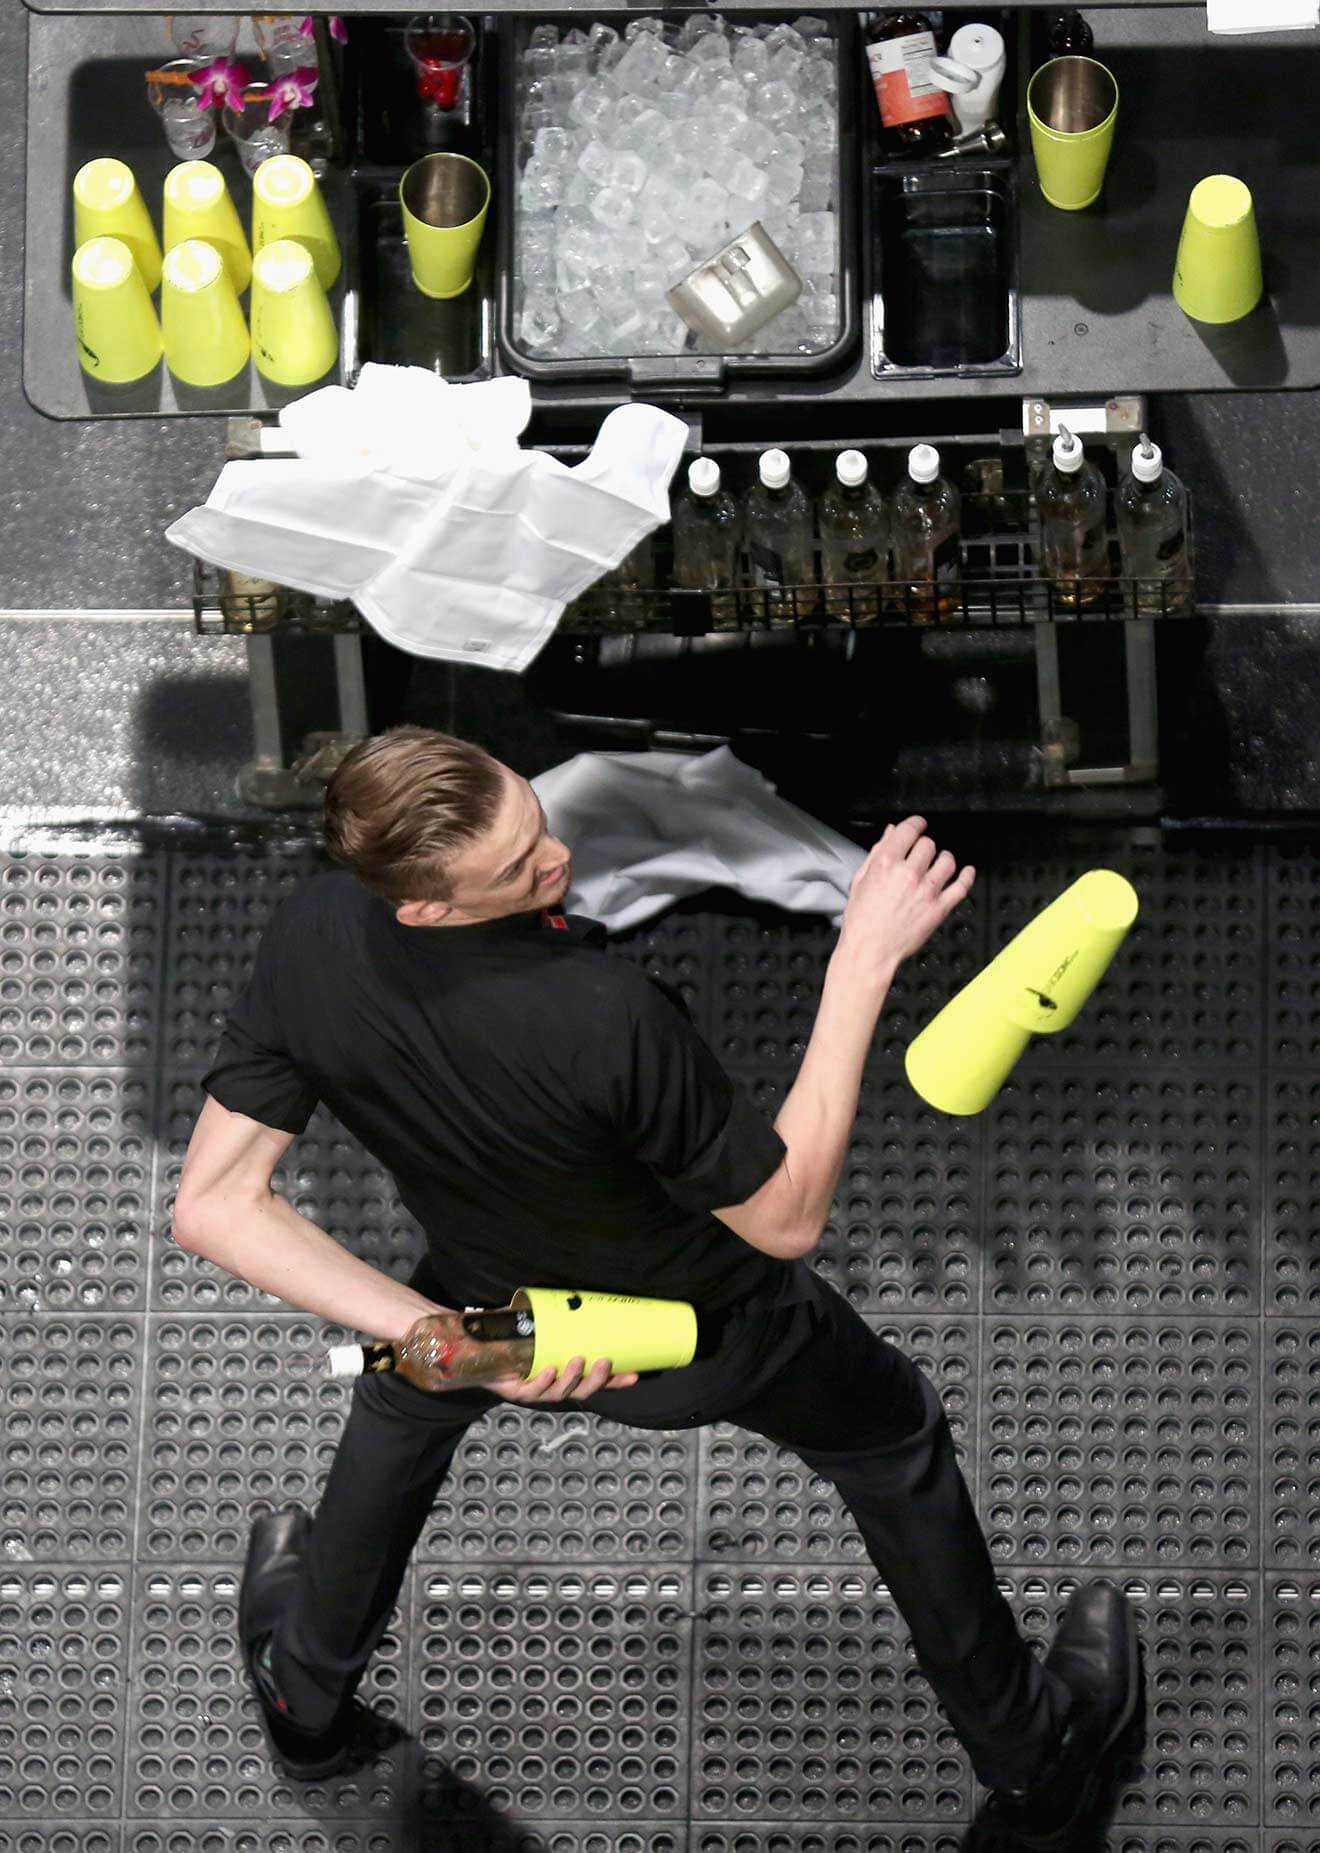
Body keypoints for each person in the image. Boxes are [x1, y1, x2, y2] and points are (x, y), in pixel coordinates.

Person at [172, 725, 1137, 1846]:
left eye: (535, 821)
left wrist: (435, 1326)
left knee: (402, 1404)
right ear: (425, 906)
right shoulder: (606, 1017)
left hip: (492, 1294)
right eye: (519, 867)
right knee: (894, 1445)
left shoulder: (313, 932)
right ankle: (1034, 1756)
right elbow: (786, 1217)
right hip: (717, 1327)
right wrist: (862, 958)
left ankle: (304, 1697)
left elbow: (217, 1200)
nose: (556, 862)